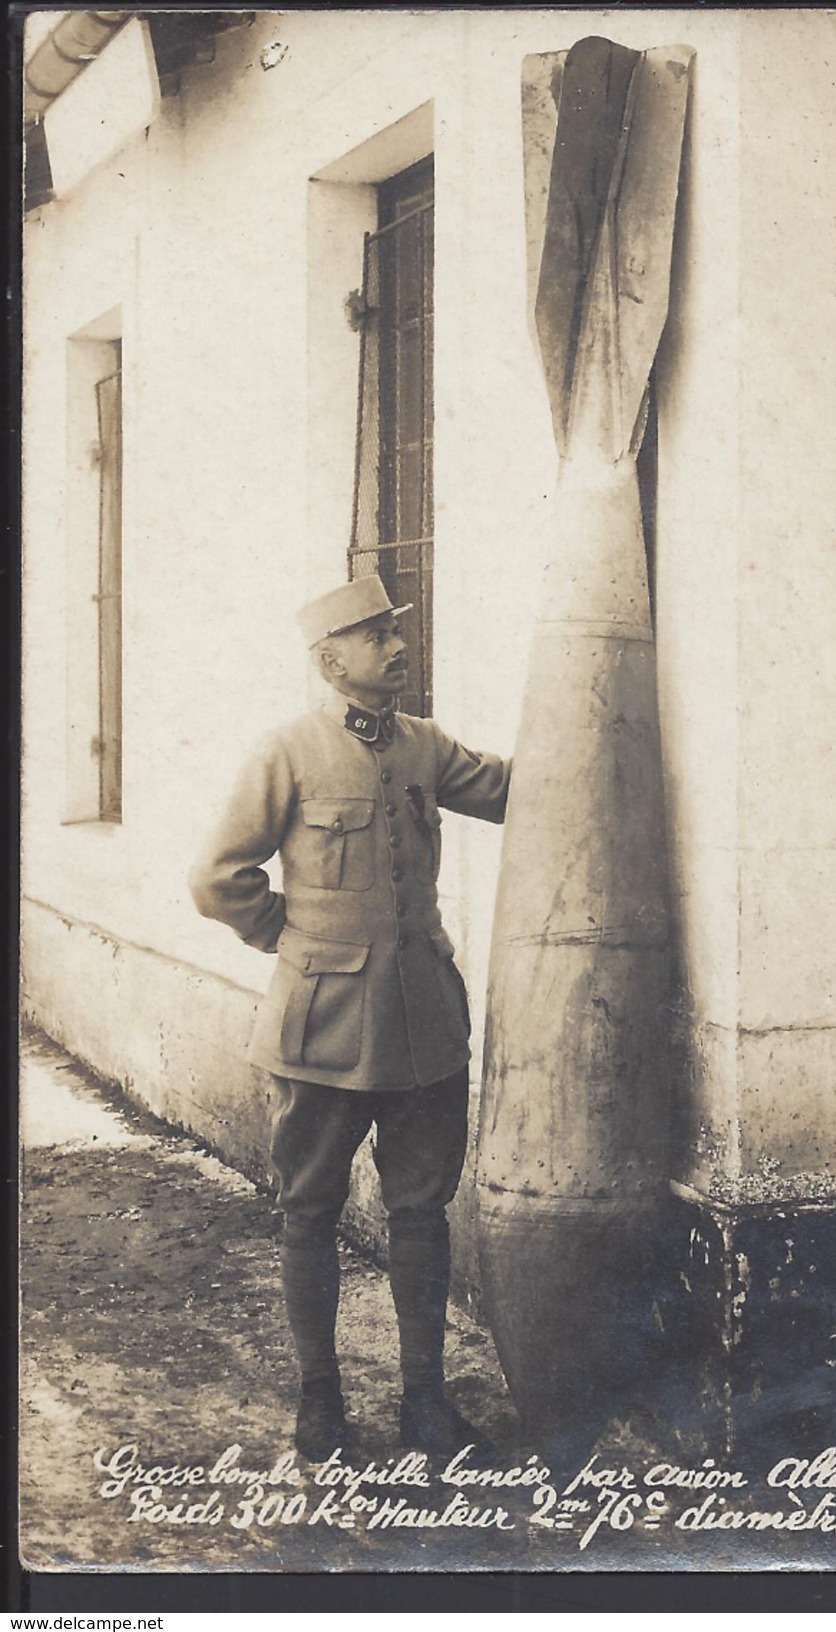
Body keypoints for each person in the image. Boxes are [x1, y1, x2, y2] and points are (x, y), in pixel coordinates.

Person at [189, 576, 510, 1462]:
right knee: (309, 1211)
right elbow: (218, 875)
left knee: (422, 1213)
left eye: (396, 634)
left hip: (424, 1029)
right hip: (322, 1030)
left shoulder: (426, 746)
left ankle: (424, 1404)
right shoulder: (286, 752)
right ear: (332, 660)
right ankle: (319, 1403)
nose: (398, 647)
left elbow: (521, 792)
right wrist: (294, 944)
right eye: (376, 637)